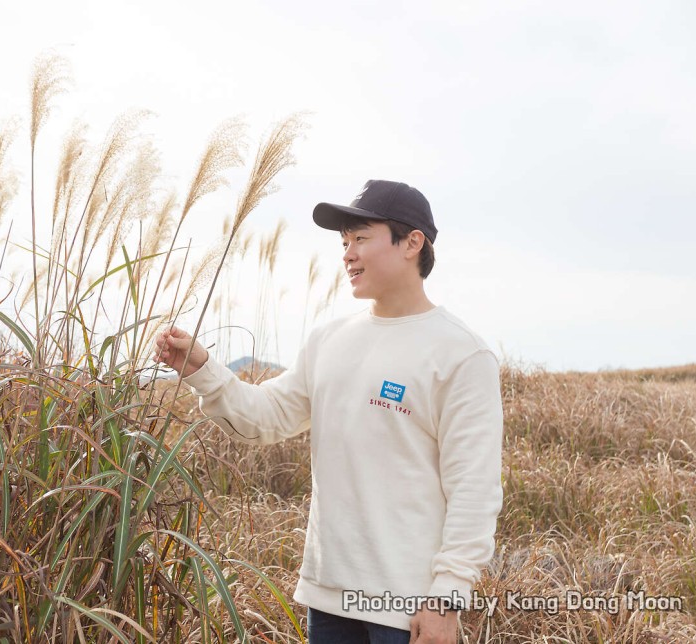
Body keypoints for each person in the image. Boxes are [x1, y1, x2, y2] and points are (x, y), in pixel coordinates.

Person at [153, 180, 503, 644]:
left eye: (360, 238)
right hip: (328, 596)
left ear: (412, 243)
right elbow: (267, 417)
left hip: (405, 608)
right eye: (343, 242)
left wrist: (447, 597)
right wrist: (203, 368)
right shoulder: (329, 340)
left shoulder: (461, 354)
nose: (347, 254)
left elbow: (474, 490)